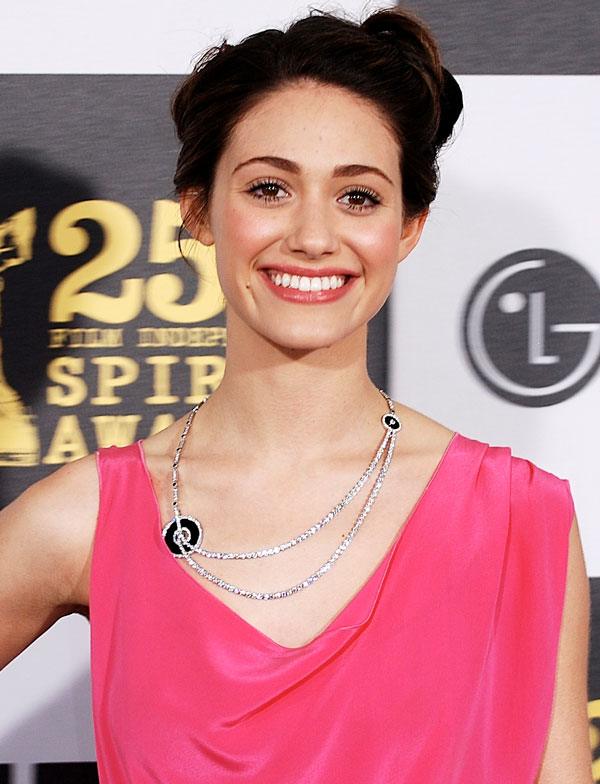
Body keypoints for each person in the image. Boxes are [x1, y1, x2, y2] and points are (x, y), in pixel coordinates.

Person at [0, 5, 592, 783]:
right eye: (271, 187)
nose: (314, 235)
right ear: (199, 210)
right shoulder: (86, 518)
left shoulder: (518, 516)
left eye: (358, 197)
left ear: (408, 226)